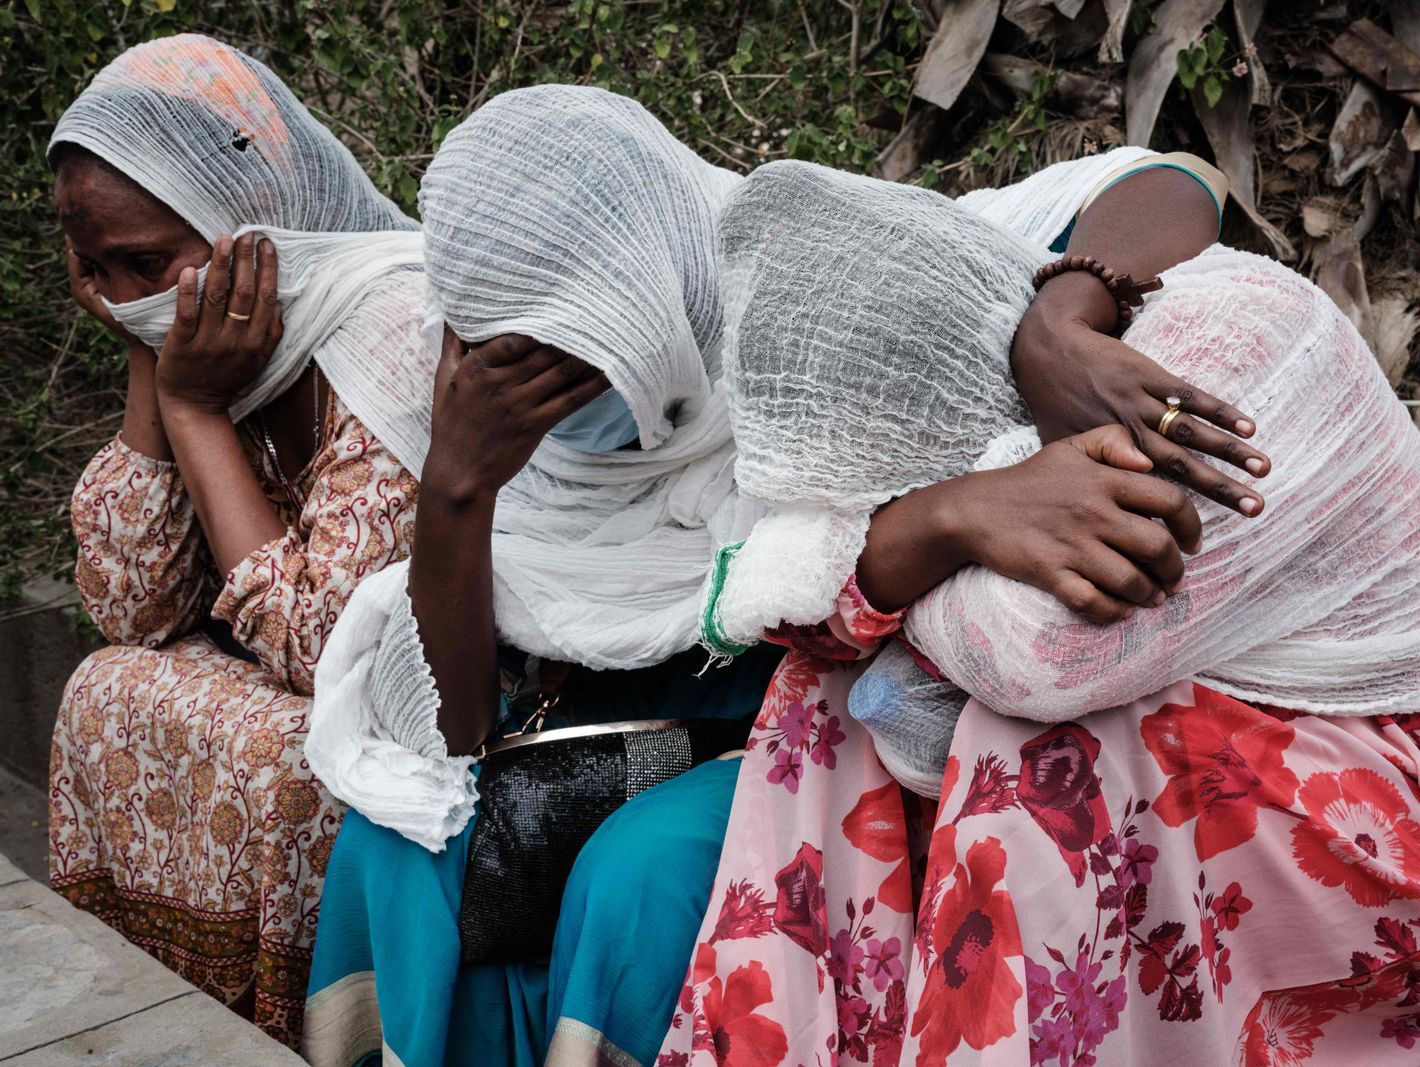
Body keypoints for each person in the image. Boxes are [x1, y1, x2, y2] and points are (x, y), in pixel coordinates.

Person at [301, 86, 1258, 1067]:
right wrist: (459, 490)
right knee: (397, 841)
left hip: (828, 716)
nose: (543, 385)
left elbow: (1174, 183)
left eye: (583, 342)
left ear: (655, 280)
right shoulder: (488, 427)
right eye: (507, 351)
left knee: (639, 877)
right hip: (640, 731)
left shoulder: (801, 281)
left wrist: (1055, 328)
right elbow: (456, 734)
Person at [662, 162, 1420, 1065]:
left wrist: (924, 531)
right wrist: (952, 513)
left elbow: (1039, 659)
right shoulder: (1022, 355)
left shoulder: (1216, 366)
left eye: (906, 485)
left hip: (1416, 804)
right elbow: (797, 605)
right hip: (1231, 711)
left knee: (1036, 761)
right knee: (824, 693)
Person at [47, 34, 435, 1046]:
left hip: (439, 698)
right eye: (94, 269)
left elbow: (326, 651)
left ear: (247, 215)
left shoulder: (389, 323)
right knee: (106, 683)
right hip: (301, 668)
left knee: (286, 754)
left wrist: (196, 408)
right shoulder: (213, 339)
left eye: (148, 263)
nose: (125, 291)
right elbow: (134, 605)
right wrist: (154, 361)